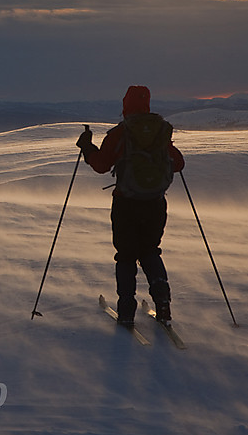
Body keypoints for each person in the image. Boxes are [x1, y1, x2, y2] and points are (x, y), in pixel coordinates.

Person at [76, 86, 184, 326]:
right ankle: (163, 304)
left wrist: (87, 148)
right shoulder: (161, 132)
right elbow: (178, 164)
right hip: (155, 203)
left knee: (126, 257)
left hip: (126, 203)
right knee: (150, 251)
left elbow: (102, 165)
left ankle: (126, 312)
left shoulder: (120, 133)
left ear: (125, 105)